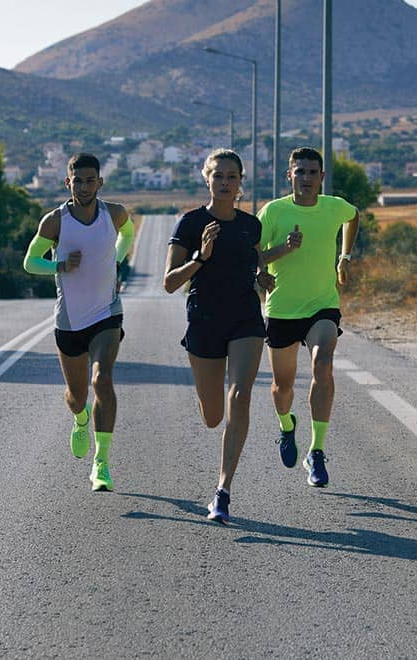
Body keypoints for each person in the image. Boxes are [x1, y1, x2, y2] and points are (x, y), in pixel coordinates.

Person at [164, 149, 273, 523]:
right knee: (213, 416)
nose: (225, 183)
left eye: (232, 177)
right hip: (204, 321)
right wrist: (201, 256)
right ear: (206, 178)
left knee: (239, 396)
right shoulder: (190, 223)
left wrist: (263, 278)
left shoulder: (250, 226)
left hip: (245, 320)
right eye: (218, 176)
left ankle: (222, 491)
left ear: (241, 182)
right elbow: (169, 282)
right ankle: (208, 401)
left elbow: (258, 267)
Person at [23, 152, 135, 491]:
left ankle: (101, 463)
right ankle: (80, 417)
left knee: (102, 380)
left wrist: (116, 261)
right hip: (70, 321)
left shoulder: (114, 214)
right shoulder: (54, 222)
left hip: (107, 313)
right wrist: (58, 266)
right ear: (67, 182)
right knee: (76, 394)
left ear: (100, 182)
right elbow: (30, 262)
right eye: (78, 180)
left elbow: (127, 236)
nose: (84, 186)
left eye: (91, 180)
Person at [258, 147, 359, 487]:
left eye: (312, 172)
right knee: (282, 386)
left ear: (321, 177)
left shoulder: (333, 207)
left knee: (322, 363)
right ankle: (287, 426)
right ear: (289, 176)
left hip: (322, 306)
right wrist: (280, 254)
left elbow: (353, 215)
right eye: (299, 172)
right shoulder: (273, 211)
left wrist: (344, 256)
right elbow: (253, 255)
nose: (306, 178)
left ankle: (316, 451)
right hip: (282, 309)